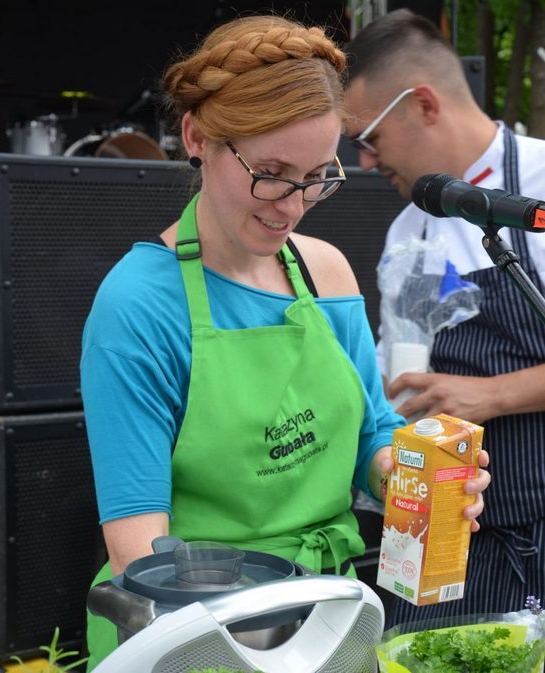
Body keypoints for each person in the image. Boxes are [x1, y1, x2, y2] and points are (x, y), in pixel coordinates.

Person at [80, 14, 489, 668]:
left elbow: (371, 431)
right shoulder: (139, 305)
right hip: (193, 626)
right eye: (270, 172)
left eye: (316, 176)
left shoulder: (325, 271)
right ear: (196, 137)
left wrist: (410, 476)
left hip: (330, 615)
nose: (291, 206)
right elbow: (138, 551)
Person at [344, 8, 545, 627]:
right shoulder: (408, 226)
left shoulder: (538, 188)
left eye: (369, 139)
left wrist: (493, 394)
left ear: (424, 105)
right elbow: (391, 370)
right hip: (446, 541)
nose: (368, 163)